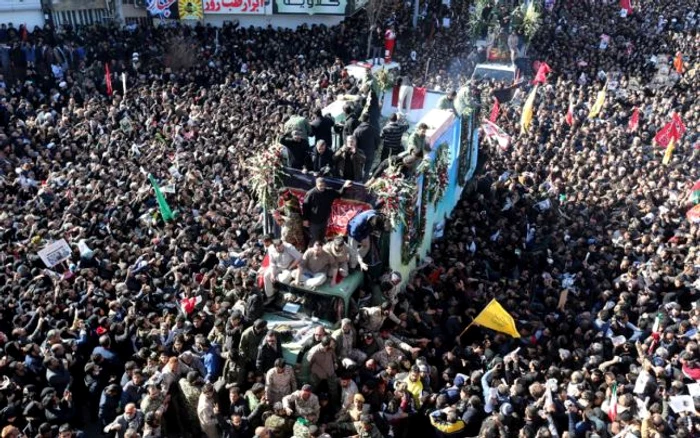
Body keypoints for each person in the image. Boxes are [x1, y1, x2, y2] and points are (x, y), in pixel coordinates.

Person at [302, 178, 352, 243]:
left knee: (322, 238)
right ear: (316, 185)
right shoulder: (311, 193)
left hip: (324, 221)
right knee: (314, 240)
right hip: (314, 222)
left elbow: (339, 193)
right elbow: (305, 207)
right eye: (320, 186)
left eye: (323, 185)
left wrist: (345, 186)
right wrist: (305, 219)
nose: (322, 187)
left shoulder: (329, 192)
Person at [263, 239, 303, 304]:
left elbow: (299, 256)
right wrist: (272, 274)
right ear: (274, 247)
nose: (279, 248)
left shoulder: (289, 247)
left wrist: (292, 266)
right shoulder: (270, 249)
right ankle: (270, 296)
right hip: (277, 266)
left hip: (288, 267)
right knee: (266, 276)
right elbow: (272, 263)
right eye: (277, 247)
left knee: (284, 279)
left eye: (280, 246)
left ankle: (278, 288)